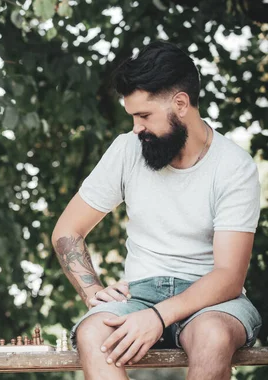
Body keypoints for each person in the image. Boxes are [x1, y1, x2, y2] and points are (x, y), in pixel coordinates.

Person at [52, 41, 262, 380]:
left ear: (180, 104)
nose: (137, 128)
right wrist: (93, 292)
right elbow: (66, 231)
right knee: (94, 333)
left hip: (213, 300)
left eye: (144, 115)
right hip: (140, 295)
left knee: (212, 336)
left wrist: (159, 317)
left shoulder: (234, 166)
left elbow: (228, 277)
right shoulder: (127, 150)